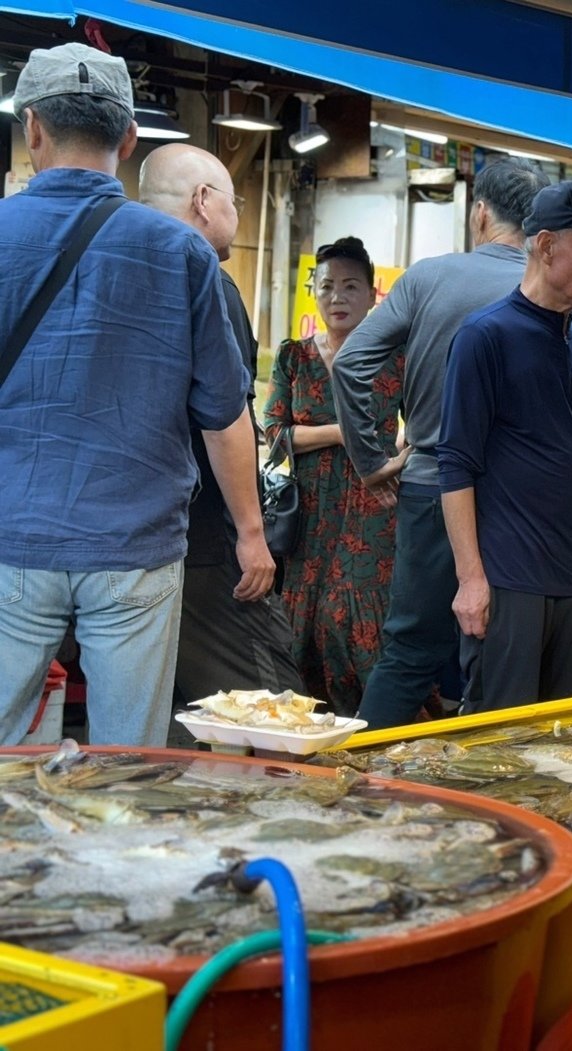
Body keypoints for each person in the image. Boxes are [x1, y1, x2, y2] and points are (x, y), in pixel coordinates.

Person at [0, 44, 253, 745]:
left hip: (12, 537)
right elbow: (225, 416)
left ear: (34, 129)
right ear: (130, 137)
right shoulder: (182, 252)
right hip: (136, 546)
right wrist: (252, 534)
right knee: (128, 761)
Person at [337, 158, 549, 730]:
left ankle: (356, 788)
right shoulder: (548, 289)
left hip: (430, 486)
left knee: (409, 653)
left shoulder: (429, 278)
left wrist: (372, 461)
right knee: (502, 661)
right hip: (517, 503)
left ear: (480, 213)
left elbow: (351, 363)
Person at [438, 182, 572, 711]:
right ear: (547, 246)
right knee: (496, 747)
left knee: (563, 752)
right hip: (511, 582)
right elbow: (455, 466)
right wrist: (470, 580)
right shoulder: (484, 335)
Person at [138, 143, 302, 710]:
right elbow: (225, 418)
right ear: (204, 202)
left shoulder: (120, 271)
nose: (240, 214)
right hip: (207, 538)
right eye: (235, 200)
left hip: (130, 536)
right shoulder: (204, 277)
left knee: (149, 717)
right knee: (271, 711)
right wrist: (251, 534)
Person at [263, 238, 405, 715]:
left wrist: (401, 457)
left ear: (371, 294)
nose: (338, 297)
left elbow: (426, 421)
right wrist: (340, 433)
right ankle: (313, 728)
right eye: (327, 287)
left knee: (354, 619)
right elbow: (274, 433)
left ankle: (378, 727)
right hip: (310, 512)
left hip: (374, 505)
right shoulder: (293, 357)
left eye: (350, 286)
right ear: (315, 294)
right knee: (307, 620)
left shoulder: (394, 355)